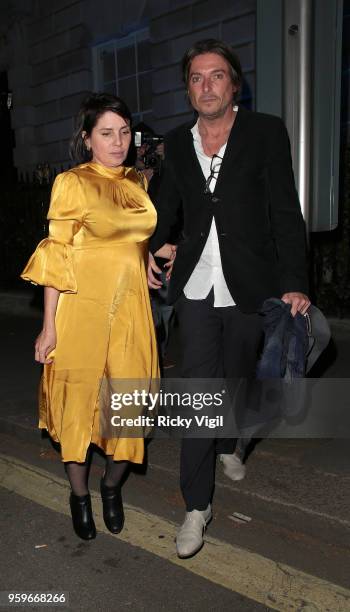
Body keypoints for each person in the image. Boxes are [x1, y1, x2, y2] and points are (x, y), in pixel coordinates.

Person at [148, 39, 311, 558]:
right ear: (188, 88)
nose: (206, 86)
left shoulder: (265, 132)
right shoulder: (176, 143)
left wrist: (295, 280)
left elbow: (285, 212)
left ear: (233, 83)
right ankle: (197, 506)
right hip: (197, 285)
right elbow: (164, 210)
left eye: (216, 76)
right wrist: (159, 243)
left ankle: (232, 440)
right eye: (196, 78)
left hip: (249, 281)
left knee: (238, 381)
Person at [21, 93, 159, 541]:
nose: (118, 142)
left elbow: (137, 240)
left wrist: (159, 253)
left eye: (124, 132)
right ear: (87, 139)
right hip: (80, 311)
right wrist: (49, 325)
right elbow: (56, 257)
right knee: (79, 409)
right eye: (106, 133)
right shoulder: (72, 182)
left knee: (129, 410)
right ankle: (79, 496)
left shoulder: (139, 180)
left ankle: (111, 486)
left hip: (132, 312)